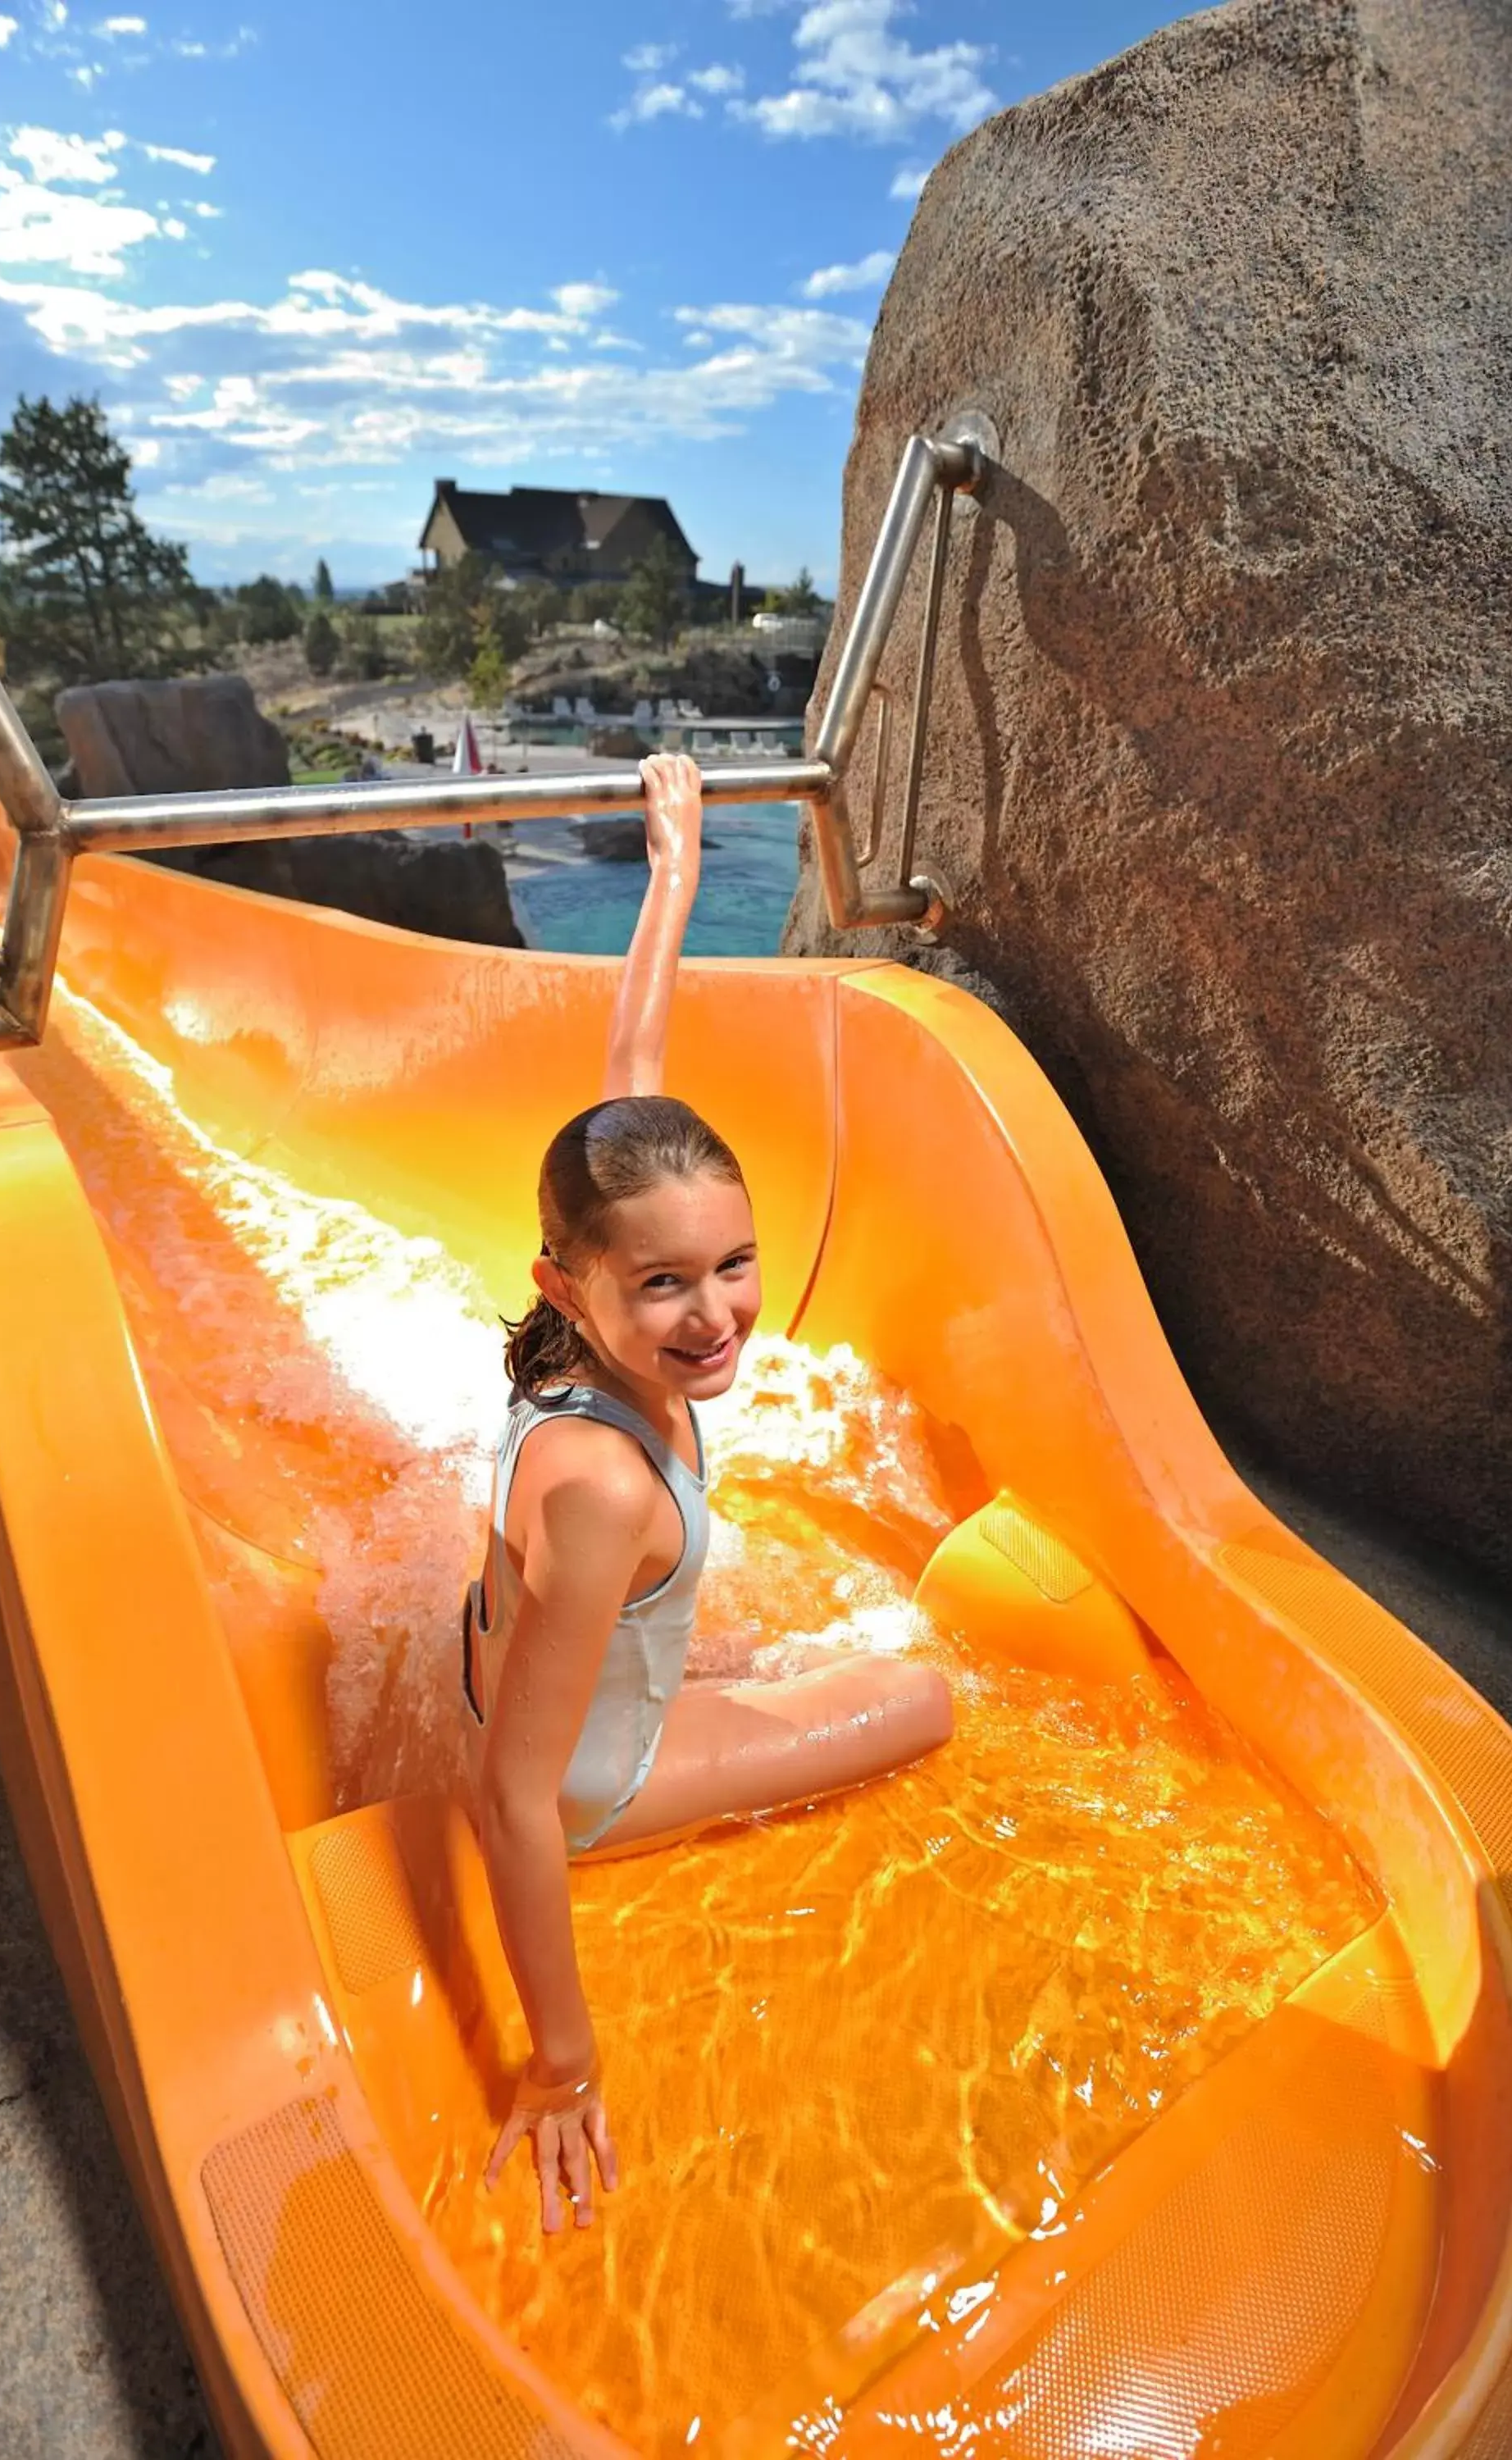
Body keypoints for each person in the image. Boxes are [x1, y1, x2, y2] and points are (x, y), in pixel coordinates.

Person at [467, 752, 954, 2234]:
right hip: (587, 1779)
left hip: (518, 1669)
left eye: (734, 1264)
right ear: (571, 1281)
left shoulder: (577, 1319)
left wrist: (674, 864)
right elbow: (511, 1797)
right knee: (928, 1697)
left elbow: (633, 1067)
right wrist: (560, 2066)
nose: (719, 1316)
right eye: (666, 1284)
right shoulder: (604, 1485)